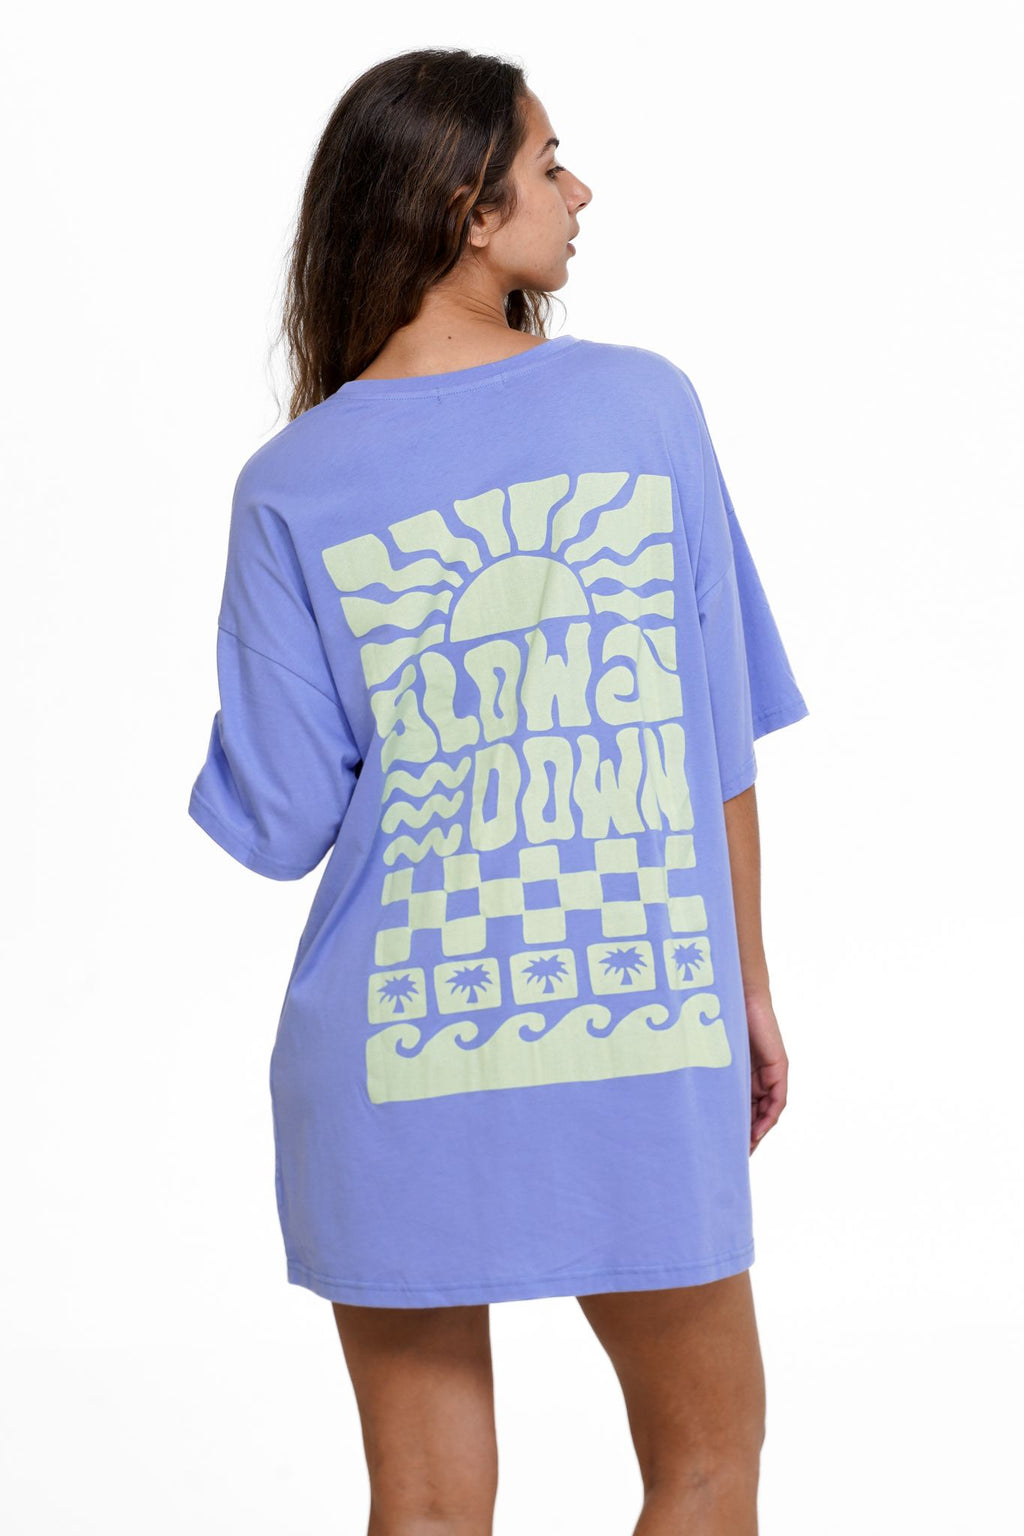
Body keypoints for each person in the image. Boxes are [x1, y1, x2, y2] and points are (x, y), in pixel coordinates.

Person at [187, 45, 809, 1536]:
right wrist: (746, 985)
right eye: (548, 164)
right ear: (469, 208)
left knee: (423, 1502)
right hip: (639, 1011)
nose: (578, 193)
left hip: (398, 1042)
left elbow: (279, 818)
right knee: (707, 1468)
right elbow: (715, 735)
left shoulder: (291, 483)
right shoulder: (645, 409)